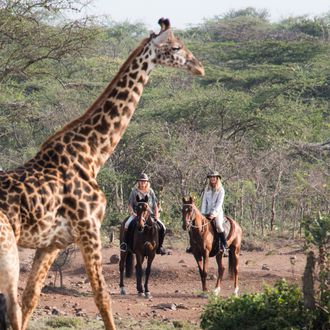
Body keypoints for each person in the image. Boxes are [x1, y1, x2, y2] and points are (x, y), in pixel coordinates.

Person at [120, 173, 167, 255]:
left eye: (144, 181)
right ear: (138, 182)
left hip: (150, 214)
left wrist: (156, 214)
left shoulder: (151, 191)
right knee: (127, 225)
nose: (142, 183)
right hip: (136, 214)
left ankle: (160, 247)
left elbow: (155, 204)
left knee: (163, 227)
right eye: (141, 181)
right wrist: (132, 213)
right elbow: (130, 204)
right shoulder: (134, 192)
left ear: (147, 182)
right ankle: (125, 245)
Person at [186, 171, 228, 254]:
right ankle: (192, 245)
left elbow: (219, 203)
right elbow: (204, 201)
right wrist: (202, 213)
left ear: (217, 178)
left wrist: (213, 214)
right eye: (211, 177)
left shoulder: (221, 190)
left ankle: (223, 246)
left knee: (219, 225)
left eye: (214, 177)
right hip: (206, 212)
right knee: (193, 226)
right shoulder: (207, 189)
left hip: (217, 212)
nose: (212, 178)